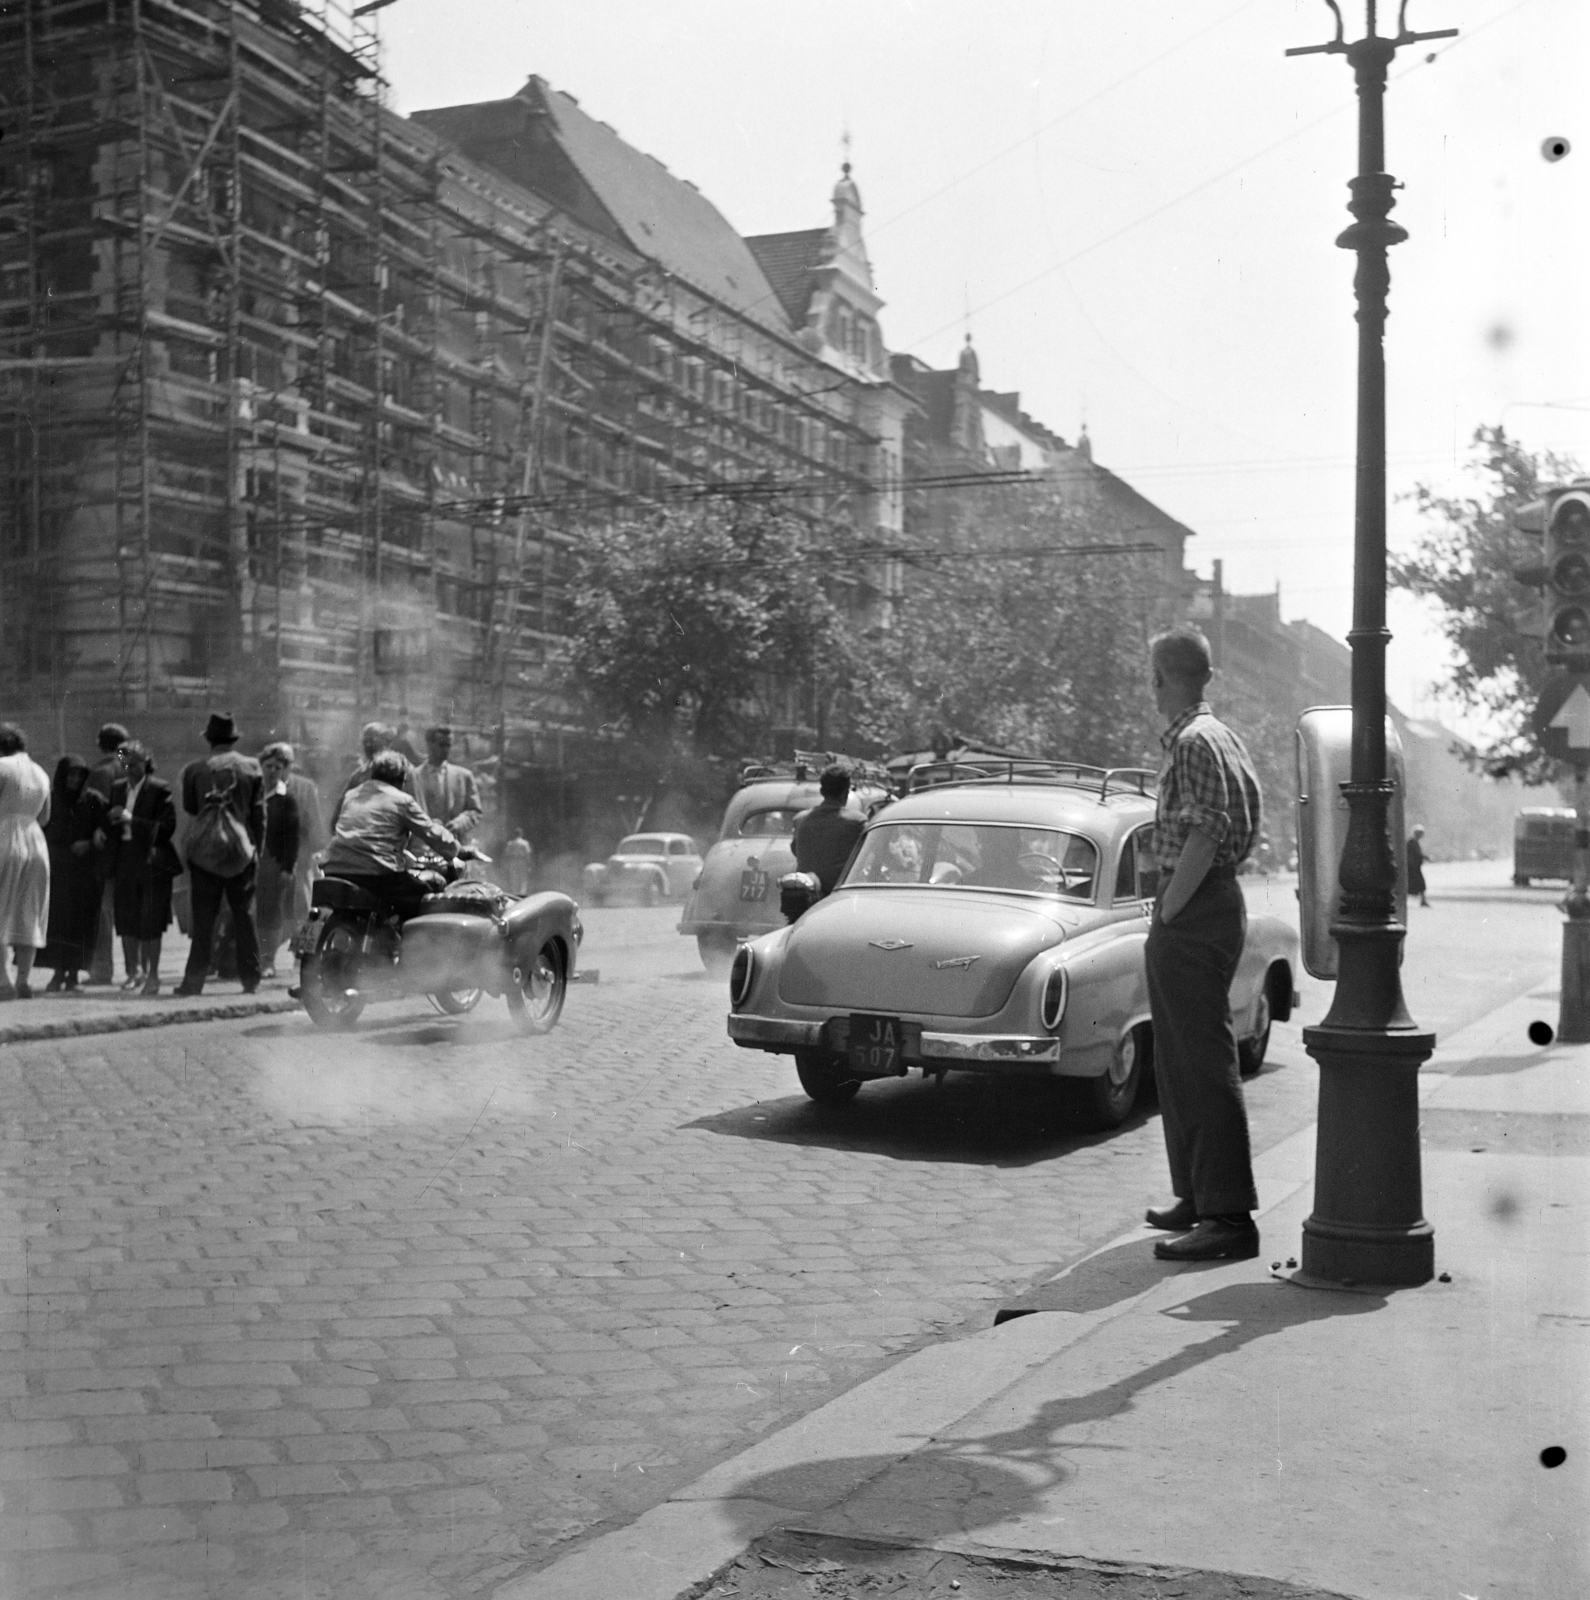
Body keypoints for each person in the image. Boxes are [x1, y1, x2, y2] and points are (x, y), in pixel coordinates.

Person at [1141, 625, 1264, 1263]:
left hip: (1195, 906)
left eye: (1152, 675)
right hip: (1210, 904)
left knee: (1201, 1062)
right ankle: (1197, 1194)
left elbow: (1206, 833)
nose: (1150, 686)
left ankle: (1227, 1217)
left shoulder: (1191, 741)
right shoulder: (1218, 736)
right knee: (1180, 1058)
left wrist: (1169, 906)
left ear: (1164, 676)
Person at [176, 712, 265, 997]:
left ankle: (194, 981)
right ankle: (251, 979)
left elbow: (192, 810)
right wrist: (256, 851)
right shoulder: (252, 768)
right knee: (244, 916)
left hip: (205, 854)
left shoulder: (194, 770)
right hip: (240, 852)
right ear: (233, 738)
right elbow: (258, 815)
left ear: (209, 740)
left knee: (203, 919)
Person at [320, 750, 461, 920]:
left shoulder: (353, 795)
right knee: (428, 899)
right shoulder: (401, 800)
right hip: (377, 876)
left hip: (334, 871)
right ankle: (409, 945)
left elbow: (340, 827)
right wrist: (457, 849)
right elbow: (431, 832)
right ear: (401, 779)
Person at [108, 742, 181, 996]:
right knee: (126, 920)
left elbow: (166, 828)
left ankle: (154, 975)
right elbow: (111, 824)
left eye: (134, 763)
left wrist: (130, 819)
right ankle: (133, 972)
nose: (129, 769)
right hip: (124, 860)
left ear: (146, 762)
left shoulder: (159, 789)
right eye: (124, 763)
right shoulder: (117, 789)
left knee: (151, 921)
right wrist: (103, 828)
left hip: (151, 861)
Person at [39, 755, 109, 993]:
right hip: (58, 871)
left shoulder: (93, 800)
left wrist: (90, 842)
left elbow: (108, 825)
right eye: (71, 775)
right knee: (57, 924)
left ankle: (73, 974)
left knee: (80, 924)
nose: (75, 779)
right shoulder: (50, 799)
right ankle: (58, 972)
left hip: (84, 873)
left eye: (80, 775)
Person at [0, 724, 53, 1001]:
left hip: (4, 835)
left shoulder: (1, 767)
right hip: (35, 840)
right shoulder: (41, 773)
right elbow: (45, 817)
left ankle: (3, 982)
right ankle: (24, 979)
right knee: (29, 911)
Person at [83, 721, 130, 984]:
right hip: (131, 847)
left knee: (103, 911)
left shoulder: (100, 771)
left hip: (106, 850)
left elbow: (96, 812)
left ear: (101, 745)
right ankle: (136, 970)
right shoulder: (129, 767)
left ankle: (102, 969)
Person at [255, 743, 302, 978]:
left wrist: (287, 867)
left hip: (274, 864)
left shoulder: (286, 799)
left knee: (271, 913)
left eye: (277, 767)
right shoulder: (253, 794)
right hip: (251, 862)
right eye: (268, 766)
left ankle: (268, 962)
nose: (272, 771)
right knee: (252, 913)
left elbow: (292, 837)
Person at [791, 763, 866, 896]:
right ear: (846, 792)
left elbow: (796, 850)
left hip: (805, 896)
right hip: (839, 896)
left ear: (822, 791)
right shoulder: (858, 822)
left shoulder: (800, 820)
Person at [329, 722, 420, 827]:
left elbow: (416, 808)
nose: (368, 745)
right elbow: (341, 809)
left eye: (372, 741)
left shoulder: (405, 771)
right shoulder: (359, 775)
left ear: (387, 743)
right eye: (365, 742)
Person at [415, 725, 483, 842]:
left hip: (455, 845)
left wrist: (459, 824)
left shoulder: (464, 777)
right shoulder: (414, 776)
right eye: (441, 745)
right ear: (429, 745)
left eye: (449, 745)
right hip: (422, 846)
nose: (446, 750)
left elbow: (474, 811)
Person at [500, 828, 534, 896]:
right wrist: (530, 864)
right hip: (522, 861)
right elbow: (527, 854)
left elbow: (506, 854)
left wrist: (505, 863)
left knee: (514, 877)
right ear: (521, 834)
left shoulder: (510, 843)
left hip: (513, 861)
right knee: (523, 878)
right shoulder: (525, 843)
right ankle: (522, 893)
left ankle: (515, 893)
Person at [1407, 824, 1429, 908]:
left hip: (1415, 867)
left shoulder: (1414, 842)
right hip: (1412, 868)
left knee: (1420, 884)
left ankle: (1423, 900)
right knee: (1416, 884)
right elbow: (1416, 854)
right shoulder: (1411, 842)